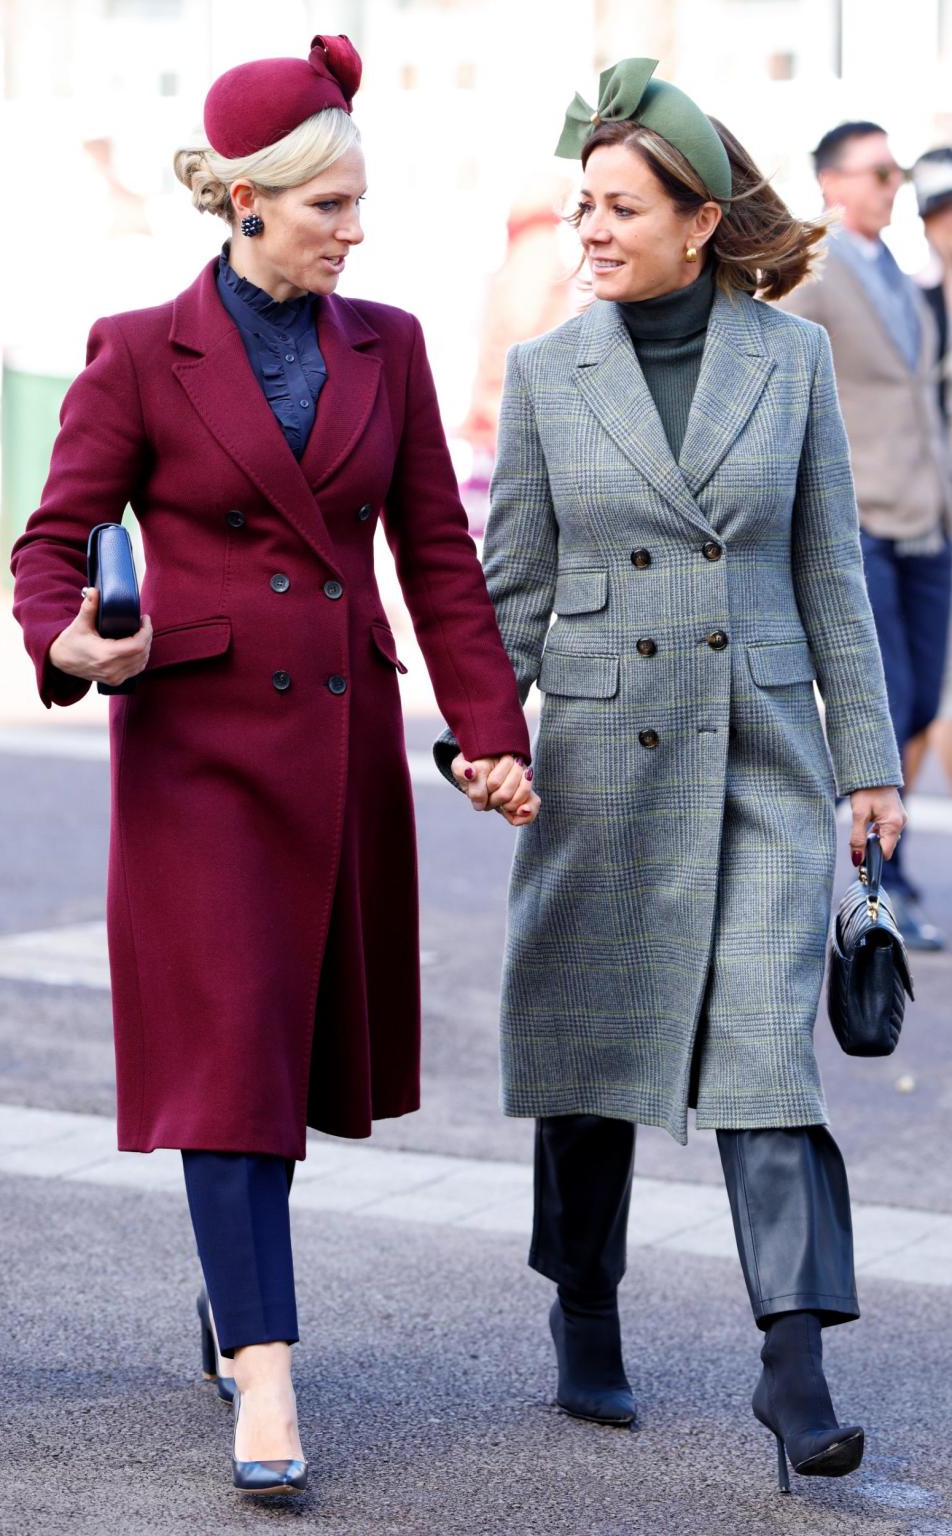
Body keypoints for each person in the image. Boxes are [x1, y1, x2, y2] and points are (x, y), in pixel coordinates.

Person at [11, 34, 538, 1497]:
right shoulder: (135, 348)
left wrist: (488, 729)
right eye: (330, 209)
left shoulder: (395, 343)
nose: (355, 231)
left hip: (343, 742)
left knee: (286, 1053)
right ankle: (271, 1379)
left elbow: (437, 553)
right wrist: (71, 642)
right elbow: (51, 546)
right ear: (247, 200)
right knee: (233, 1047)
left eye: (361, 205)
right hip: (195, 752)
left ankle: (230, 1298)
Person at [437, 58, 906, 1492]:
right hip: (597, 756)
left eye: (619, 207)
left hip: (760, 751)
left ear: (700, 221)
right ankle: (586, 1308)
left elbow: (831, 571)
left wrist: (869, 764)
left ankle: (796, 1367)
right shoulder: (549, 371)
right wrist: (475, 736)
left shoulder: (792, 359)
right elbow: (511, 579)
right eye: (583, 203)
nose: (590, 229)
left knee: (768, 1060)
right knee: (590, 1059)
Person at [778, 121, 951, 950]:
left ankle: (883, 864)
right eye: (881, 172)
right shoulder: (812, 266)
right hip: (860, 521)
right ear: (835, 182)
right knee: (882, 701)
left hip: (927, 519)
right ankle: (882, 883)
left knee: (919, 700)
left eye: (898, 172)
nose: (895, 186)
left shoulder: (902, 273)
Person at [906, 147, 952, 794]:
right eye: (941, 215)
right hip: (924, 524)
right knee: (918, 698)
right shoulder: (912, 309)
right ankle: (897, 870)